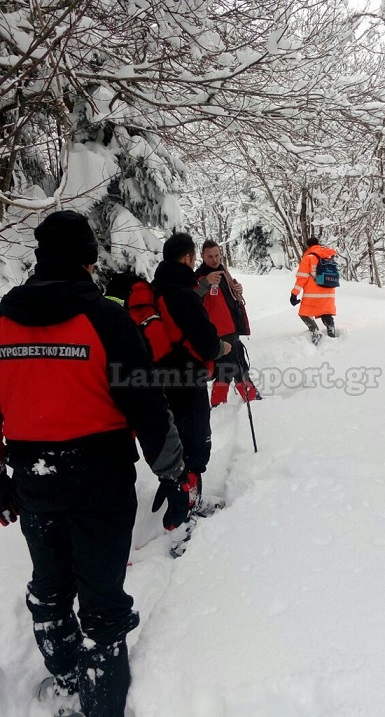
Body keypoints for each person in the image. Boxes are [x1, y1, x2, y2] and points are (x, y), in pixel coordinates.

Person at [0, 210, 187, 717]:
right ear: (88, 259)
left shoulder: (2, 318)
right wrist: (173, 473)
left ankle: (63, 678)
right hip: (98, 478)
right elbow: (148, 406)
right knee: (102, 595)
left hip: (31, 475)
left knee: (50, 582)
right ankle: (101, 703)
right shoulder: (107, 320)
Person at [152, 232, 232, 510]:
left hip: (160, 375)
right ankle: (190, 500)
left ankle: (177, 489)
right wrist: (222, 348)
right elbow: (207, 342)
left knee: (176, 433)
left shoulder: (155, 290)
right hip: (188, 375)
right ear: (187, 258)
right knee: (195, 436)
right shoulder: (183, 295)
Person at [195, 239, 260, 407]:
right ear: (202, 256)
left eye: (217, 255)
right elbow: (193, 296)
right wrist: (205, 283)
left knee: (227, 367)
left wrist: (238, 289)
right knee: (237, 364)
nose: (214, 259)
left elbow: (229, 296)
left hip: (232, 327)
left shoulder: (223, 271)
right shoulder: (200, 276)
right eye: (210, 256)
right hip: (218, 330)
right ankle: (251, 397)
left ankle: (219, 402)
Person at [290, 238, 337, 346]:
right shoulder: (328, 256)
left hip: (313, 294)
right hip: (329, 291)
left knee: (304, 314)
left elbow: (302, 278)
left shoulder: (308, 258)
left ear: (308, 246)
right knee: (326, 313)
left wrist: (294, 294)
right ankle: (331, 333)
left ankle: (315, 331)